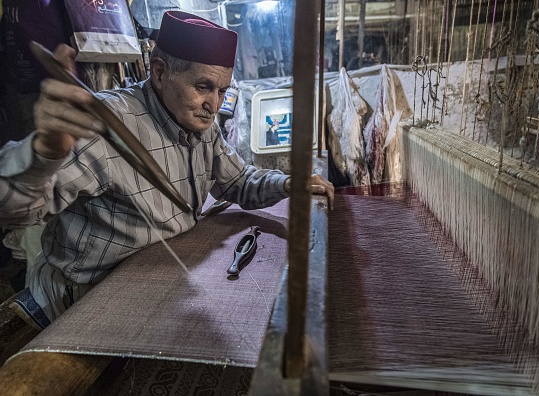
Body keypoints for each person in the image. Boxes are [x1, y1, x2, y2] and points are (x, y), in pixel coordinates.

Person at [0, 10, 334, 329]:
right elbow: (12, 212)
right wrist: (45, 152)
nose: (213, 105)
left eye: (222, 91)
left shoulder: (203, 127)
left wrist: (289, 183)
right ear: (159, 72)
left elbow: (238, 181)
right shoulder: (106, 126)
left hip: (156, 282)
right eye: (203, 87)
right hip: (85, 299)